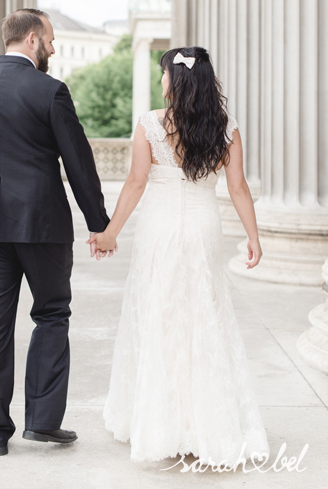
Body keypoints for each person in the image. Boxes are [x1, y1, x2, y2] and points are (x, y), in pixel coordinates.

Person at [0, 8, 114, 456]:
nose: (54, 48)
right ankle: (42, 422)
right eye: (51, 40)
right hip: (41, 224)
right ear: (33, 39)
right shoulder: (50, 91)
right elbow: (79, 163)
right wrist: (99, 223)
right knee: (52, 313)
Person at [90, 46, 270, 467]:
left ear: (177, 80)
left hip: (160, 230)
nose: (161, 80)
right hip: (204, 229)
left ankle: (161, 422)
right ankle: (204, 422)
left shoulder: (150, 124)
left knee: (161, 315)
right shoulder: (226, 128)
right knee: (203, 317)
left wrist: (109, 233)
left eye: (164, 73)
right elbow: (239, 188)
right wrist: (254, 238)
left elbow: (135, 183)